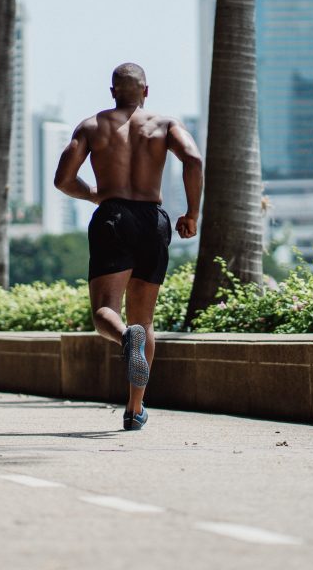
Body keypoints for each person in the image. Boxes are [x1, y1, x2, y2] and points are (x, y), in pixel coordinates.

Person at [54, 63, 203, 431]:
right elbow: (194, 159)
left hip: (113, 218)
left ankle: (124, 337)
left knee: (106, 310)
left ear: (112, 91)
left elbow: (63, 180)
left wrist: (95, 195)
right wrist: (192, 213)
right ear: (146, 91)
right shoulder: (166, 125)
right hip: (154, 220)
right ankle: (135, 409)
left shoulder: (92, 126)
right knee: (145, 319)